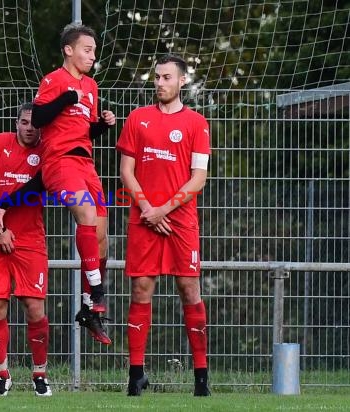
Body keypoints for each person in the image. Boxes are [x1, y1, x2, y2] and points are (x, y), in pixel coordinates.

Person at [116, 54, 211, 396]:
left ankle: (201, 377)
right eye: (156, 77)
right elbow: (126, 170)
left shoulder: (197, 123)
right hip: (143, 219)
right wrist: (147, 208)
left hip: (181, 222)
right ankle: (136, 375)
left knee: (189, 291)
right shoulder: (137, 119)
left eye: (167, 77)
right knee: (141, 289)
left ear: (182, 81)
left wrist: (164, 210)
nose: (160, 83)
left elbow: (198, 178)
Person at [32, 23, 115, 345]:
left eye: (94, 51)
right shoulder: (54, 81)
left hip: (85, 162)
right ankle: (96, 289)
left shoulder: (91, 86)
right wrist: (66, 97)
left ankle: (87, 310)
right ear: (69, 50)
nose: (92, 56)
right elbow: (39, 119)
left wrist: (102, 126)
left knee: (102, 234)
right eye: (87, 50)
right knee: (85, 213)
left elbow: (84, 131)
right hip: (59, 161)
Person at [0, 103, 52, 397]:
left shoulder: (47, 150)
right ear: (16, 122)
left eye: (34, 123)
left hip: (30, 240)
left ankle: (40, 375)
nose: (29, 128)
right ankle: (1, 375)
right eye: (24, 122)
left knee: (35, 309)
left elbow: (39, 184)